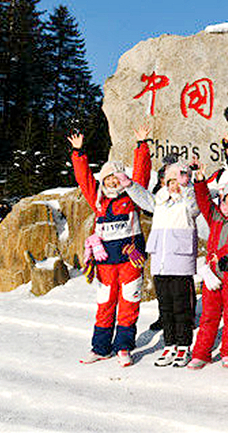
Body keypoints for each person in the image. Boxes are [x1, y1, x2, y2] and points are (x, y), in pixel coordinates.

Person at [69, 129, 151, 367]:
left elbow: (142, 174)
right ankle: (101, 347)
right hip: (105, 263)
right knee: (105, 305)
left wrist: (141, 145)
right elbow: (84, 177)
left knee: (128, 303)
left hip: (130, 260)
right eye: (108, 178)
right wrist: (78, 152)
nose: (112, 181)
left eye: (116, 177)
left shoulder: (132, 196)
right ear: (103, 180)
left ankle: (123, 347)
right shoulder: (97, 198)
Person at [129, 161, 201, 367]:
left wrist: (186, 185)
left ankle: (184, 346)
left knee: (182, 307)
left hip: (180, 262)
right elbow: (143, 197)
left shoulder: (188, 203)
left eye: (177, 182)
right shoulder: (159, 200)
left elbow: (194, 206)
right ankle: (169, 344)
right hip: (160, 263)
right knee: (165, 308)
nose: (173, 186)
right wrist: (128, 185)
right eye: (170, 182)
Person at [187, 170, 228, 370]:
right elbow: (203, 200)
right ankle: (200, 353)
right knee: (208, 316)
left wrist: (220, 255)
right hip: (211, 275)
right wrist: (200, 181)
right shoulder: (215, 215)